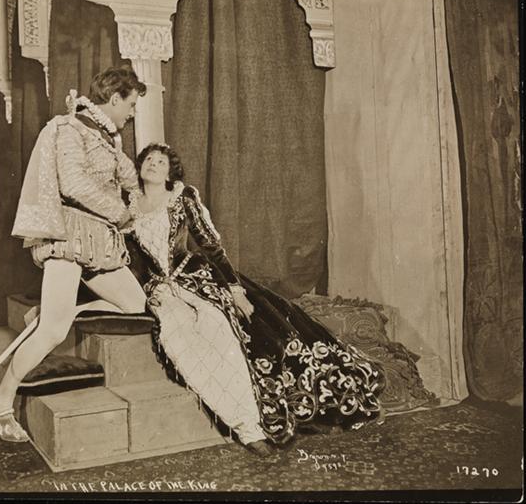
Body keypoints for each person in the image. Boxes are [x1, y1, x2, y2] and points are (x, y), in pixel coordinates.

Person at [125, 143, 386, 456]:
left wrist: (236, 291)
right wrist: (148, 290)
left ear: (170, 173)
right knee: (176, 337)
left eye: (161, 161)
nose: (153, 164)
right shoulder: (130, 208)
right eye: (148, 159)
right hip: (164, 291)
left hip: (200, 279)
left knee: (222, 328)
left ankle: (251, 428)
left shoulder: (183, 198)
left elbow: (211, 247)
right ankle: (244, 424)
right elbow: (135, 261)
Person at [0, 66, 148, 442]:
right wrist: (120, 212)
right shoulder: (70, 128)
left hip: (98, 241)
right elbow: (73, 184)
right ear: (115, 98)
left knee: (134, 304)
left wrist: (135, 192)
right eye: (131, 104)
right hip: (69, 236)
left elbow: (125, 174)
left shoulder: (106, 136)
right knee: (53, 333)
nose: (133, 113)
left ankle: (56, 311)